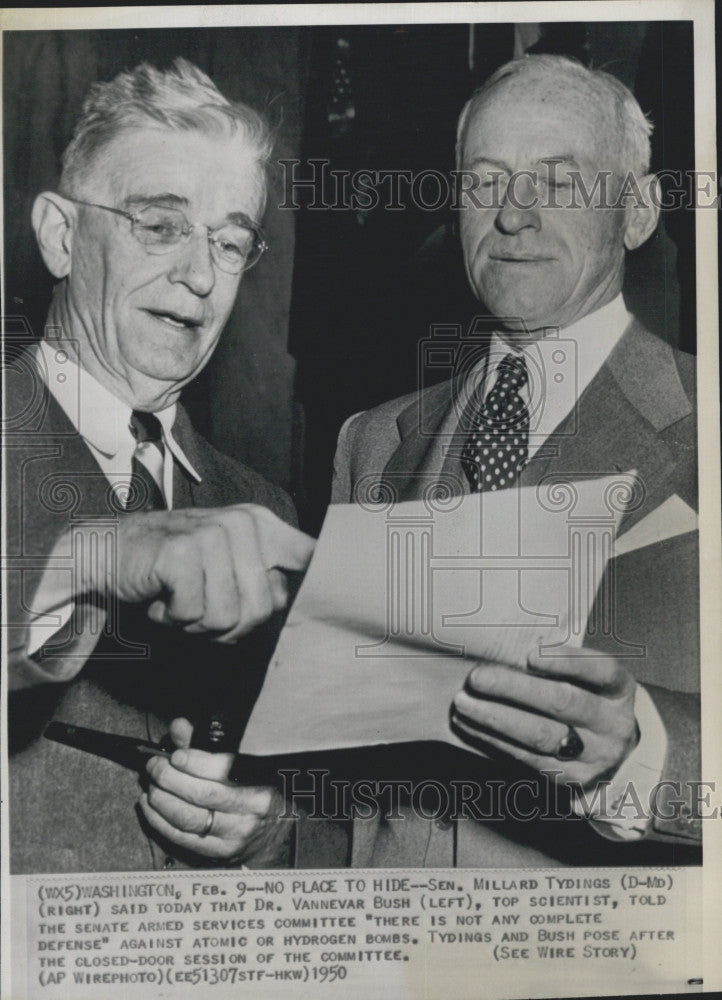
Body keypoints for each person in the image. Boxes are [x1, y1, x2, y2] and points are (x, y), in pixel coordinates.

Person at [328, 55, 700, 866]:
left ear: (637, 213)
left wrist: (638, 752)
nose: (513, 217)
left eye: (559, 182)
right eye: (485, 181)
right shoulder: (373, 441)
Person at [5, 58, 315, 874]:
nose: (203, 276)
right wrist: (95, 555)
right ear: (61, 235)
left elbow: (309, 794)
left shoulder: (262, 506)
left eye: (232, 242)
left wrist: (268, 825)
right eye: (160, 224)